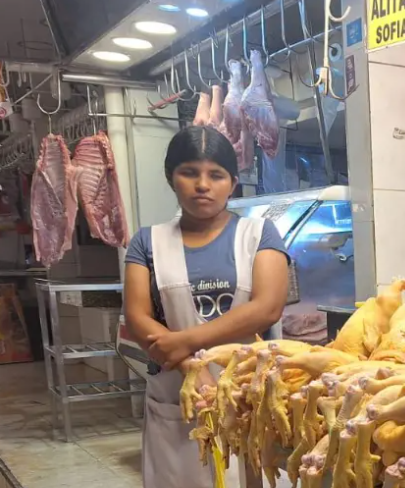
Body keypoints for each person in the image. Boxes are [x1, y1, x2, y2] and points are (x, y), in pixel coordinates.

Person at [123, 125, 290, 488]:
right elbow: (137, 319)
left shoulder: (260, 234)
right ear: (172, 178)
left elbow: (266, 308)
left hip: (249, 398)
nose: (203, 184)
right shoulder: (146, 242)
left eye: (216, 175)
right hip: (176, 399)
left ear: (232, 182)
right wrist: (189, 368)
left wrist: (186, 343)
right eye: (189, 173)